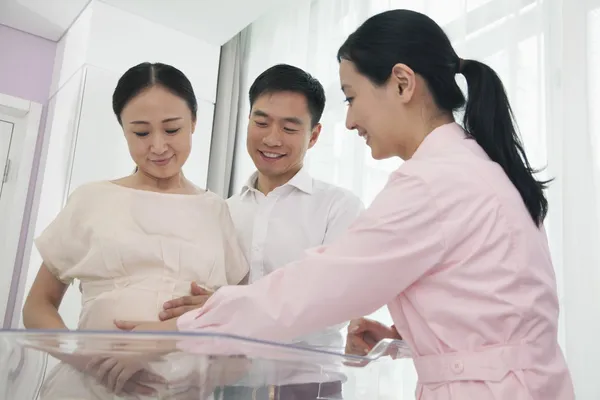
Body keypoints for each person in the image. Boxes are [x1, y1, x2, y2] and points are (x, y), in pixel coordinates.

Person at [119, 9, 575, 400]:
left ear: (401, 83)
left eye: (352, 98)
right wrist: (409, 339)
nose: (352, 120)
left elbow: (312, 288)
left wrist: (178, 329)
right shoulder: (473, 166)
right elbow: (495, 311)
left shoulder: (434, 182)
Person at [127, 64, 365, 399]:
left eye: (289, 127)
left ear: (313, 135)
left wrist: (229, 310)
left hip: (308, 385)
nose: (271, 138)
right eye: (262, 122)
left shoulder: (339, 207)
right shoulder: (223, 210)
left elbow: (331, 307)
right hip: (226, 384)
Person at [22, 62, 249, 399]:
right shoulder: (93, 199)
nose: (158, 146)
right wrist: (87, 358)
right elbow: (37, 306)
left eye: (172, 129)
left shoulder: (217, 210)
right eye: (141, 133)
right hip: (88, 387)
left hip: (182, 391)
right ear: (123, 130)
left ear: (194, 124)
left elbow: (240, 317)